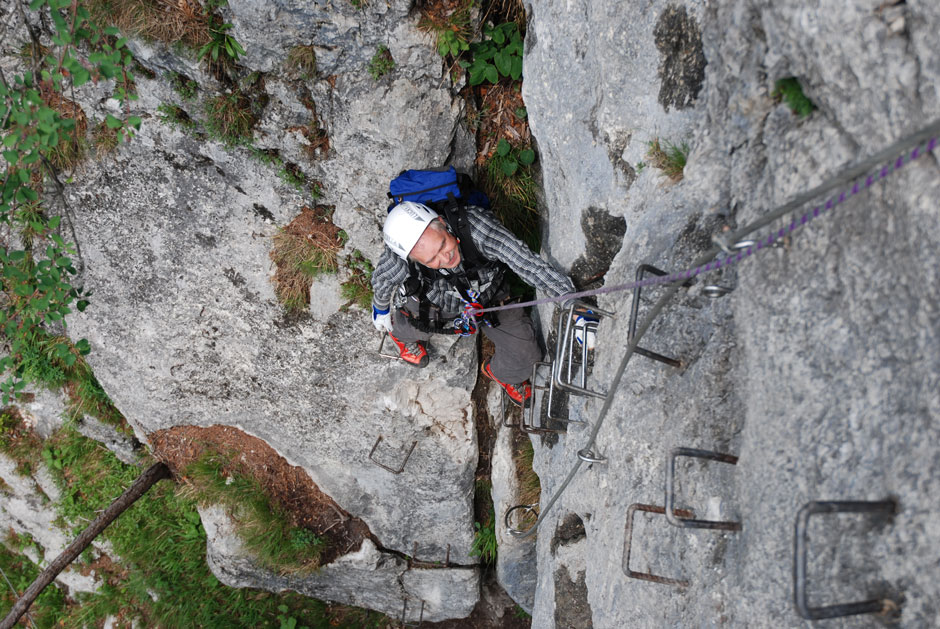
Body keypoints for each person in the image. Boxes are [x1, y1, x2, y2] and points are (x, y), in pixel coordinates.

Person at [370, 200, 575, 406]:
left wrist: (570, 302)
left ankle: (502, 374)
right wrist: (380, 308)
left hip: (489, 296)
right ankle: (401, 336)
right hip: (438, 300)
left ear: (442, 222)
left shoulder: (476, 228)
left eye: (443, 244)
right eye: (431, 259)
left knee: (527, 355)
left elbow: (527, 264)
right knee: (414, 324)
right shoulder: (402, 257)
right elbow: (383, 279)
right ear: (415, 259)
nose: (446, 257)